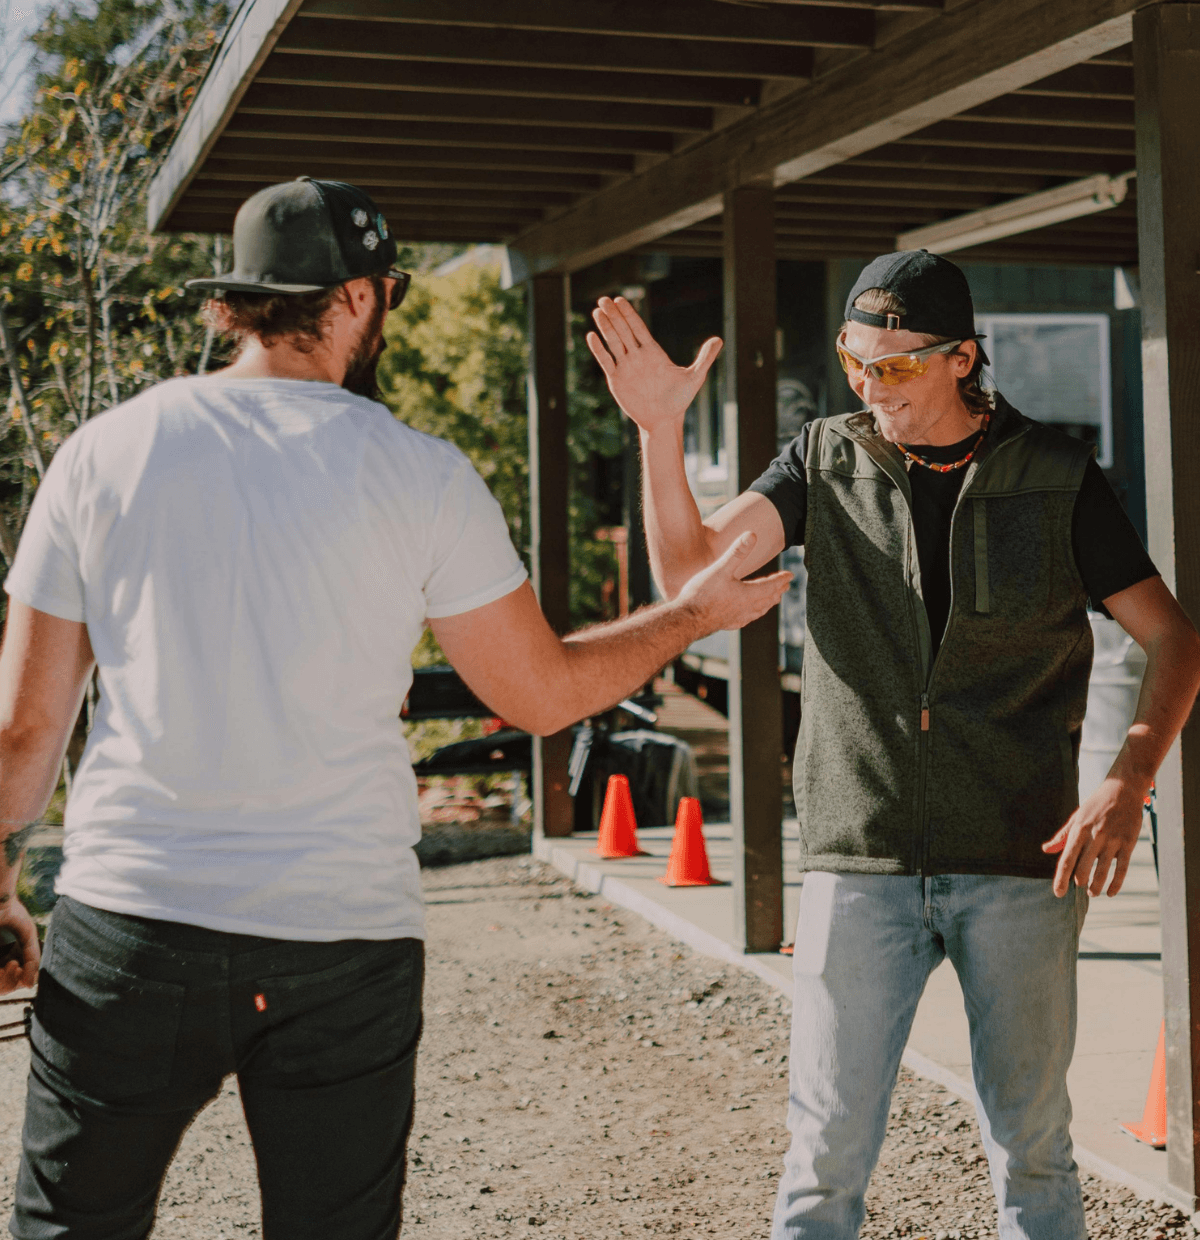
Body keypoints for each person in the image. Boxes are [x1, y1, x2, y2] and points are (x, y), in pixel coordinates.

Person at [0, 176, 791, 1240]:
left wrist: (1, 881)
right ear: (360, 298)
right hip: (339, 936)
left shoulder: (103, 452)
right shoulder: (419, 474)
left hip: (133, 925)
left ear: (237, 302)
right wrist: (686, 617)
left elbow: (21, 737)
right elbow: (543, 692)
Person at [586, 248, 1200, 1240]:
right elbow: (692, 575)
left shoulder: (1054, 476)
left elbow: (1174, 637)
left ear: (963, 359)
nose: (872, 387)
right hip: (858, 859)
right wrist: (659, 431)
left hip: (1019, 860)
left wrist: (1130, 774)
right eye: (856, 361)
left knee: (1033, 1151)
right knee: (822, 1157)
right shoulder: (822, 459)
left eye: (898, 366)